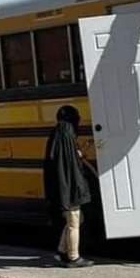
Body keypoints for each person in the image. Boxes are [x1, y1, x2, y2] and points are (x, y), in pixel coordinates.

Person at [44, 105, 94, 268]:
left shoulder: (57, 135)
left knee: (71, 220)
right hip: (69, 188)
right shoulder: (67, 135)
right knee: (74, 221)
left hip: (60, 187)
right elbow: (71, 166)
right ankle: (73, 257)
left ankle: (61, 249)